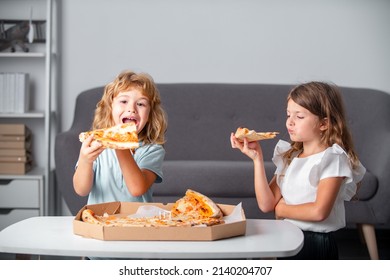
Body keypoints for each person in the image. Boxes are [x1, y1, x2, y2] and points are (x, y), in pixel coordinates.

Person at [230, 81, 366, 259]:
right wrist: (257, 159)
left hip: (314, 243)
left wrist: (282, 210)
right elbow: (266, 204)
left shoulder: (332, 159)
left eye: (299, 117)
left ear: (324, 123)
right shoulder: (291, 157)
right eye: (288, 115)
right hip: (287, 238)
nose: (290, 122)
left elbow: (318, 212)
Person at [73, 70, 168, 206]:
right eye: (123, 101)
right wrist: (85, 160)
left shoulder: (152, 150)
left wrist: (120, 145)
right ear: (109, 108)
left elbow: (137, 189)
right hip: (101, 220)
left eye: (141, 104)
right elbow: (81, 190)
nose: (131, 109)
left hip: (138, 222)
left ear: (150, 115)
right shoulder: (96, 145)